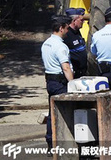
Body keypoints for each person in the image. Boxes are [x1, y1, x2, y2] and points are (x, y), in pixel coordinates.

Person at [42, 15, 74, 153]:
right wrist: (73, 85)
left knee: (52, 113)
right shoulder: (60, 46)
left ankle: (51, 143)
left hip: (50, 81)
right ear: (61, 28)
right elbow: (66, 67)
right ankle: (64, 143)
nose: (68, 31)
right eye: (67, 28)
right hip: (61, 83)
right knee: (65, 113)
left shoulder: (47, 43)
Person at [63, 8, 88, 78]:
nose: (83, 22)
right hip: (74, 74)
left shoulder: (77, 32)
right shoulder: (67, 35)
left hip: (82, 72)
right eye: (81, 20)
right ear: (74, 21)